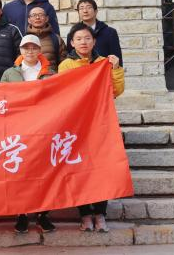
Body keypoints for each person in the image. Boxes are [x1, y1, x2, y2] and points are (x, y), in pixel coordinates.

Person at [59, 23, 125, 233]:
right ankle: (85, 214)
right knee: (79, 169)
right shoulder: (66, 65)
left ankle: (101, 213)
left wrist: (116, 69)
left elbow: (116, 90)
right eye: (78, 39)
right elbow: (64, 92)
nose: (83, 42)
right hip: (77, 124)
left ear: (94, 41)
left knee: (101, 168)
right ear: (72, 43)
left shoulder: (103, 63)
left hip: (100, 122)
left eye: (87, 38)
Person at [0, 35, 57, 233]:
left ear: (39, 50)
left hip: (44, 127)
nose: (30, 51)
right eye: (26, 48)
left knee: (43, 171)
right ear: (20, 50)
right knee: (20, 171)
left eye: (33, 48)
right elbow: (0, 97)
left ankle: (42, 214)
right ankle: (21, 213)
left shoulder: (50, 73)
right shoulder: (10, 73)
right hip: (18, 128)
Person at [68, 0, 123, 66]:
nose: (85, 11)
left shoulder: (110, 32)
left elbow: (117, 59)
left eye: (89, 7)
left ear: (96, 11)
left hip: (104, 71)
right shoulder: (73, 34)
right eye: (81, 8)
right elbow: (70, 57)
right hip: (80, 71)